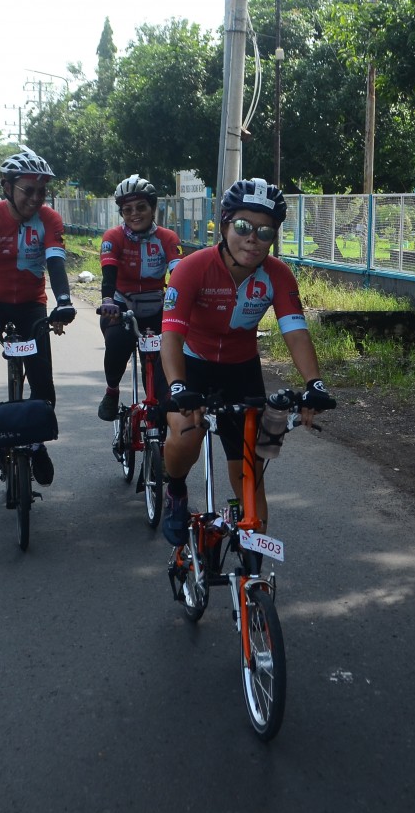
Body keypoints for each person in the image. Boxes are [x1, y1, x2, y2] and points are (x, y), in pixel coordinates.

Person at [158, 178, 337, 545]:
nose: (253, 238)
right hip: (191, 366)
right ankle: (174, 490)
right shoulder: (192, 268)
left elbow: (295, 332)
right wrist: (177, 386)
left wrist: (314, 384)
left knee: (250, 472)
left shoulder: (277, 275)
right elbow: (171, 334)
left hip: (241, 371)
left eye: (265, 231)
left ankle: (252, 560)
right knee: (186, 435)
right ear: (224, 225)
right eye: (242, 226)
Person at [0, 146, 78, 486]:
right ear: (7, 187)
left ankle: (37, 443)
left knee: (42, 375)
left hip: (30, 303)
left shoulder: (48, 220)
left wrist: (64, 302)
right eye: (28, 190)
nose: (36, 199)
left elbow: (56, 264)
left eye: (42, 192)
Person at [96, 175, 182, 420]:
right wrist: (107, 301)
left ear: (152, 208)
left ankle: (159, 413)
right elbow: (108, 277)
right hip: (121, 304)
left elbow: (179, 276)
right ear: (122, 213)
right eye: (127, 210)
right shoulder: (113, 237)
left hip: (156, 305)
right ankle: (112, 391)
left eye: (141, 207)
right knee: (117, 341)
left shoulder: (167, 238)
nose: (135, 214)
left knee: (162, 364)